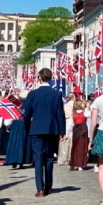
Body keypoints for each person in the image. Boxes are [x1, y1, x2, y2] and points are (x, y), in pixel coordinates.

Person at [20, 68, 65, 198]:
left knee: (38, 158)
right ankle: (49, 186)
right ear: (51, 78)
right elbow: (60, 114)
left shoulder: (33, 94)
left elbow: (27, 114)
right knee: (49, 158)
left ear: (39, 78)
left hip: (36, 129)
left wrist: (26, 127)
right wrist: (61, 131)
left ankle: (40, 188)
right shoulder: (56, 94)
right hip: (52, 129)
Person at [68, 99, 89, 170]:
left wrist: (67, 132)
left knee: (76, 146)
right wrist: (87, 108)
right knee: (81, 146)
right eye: (82, 104)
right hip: (82, 128)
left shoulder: (74, 113)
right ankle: (79, 164)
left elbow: (70, 124)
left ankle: (74, 164)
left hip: (76, 129)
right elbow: (88, 114)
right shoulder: (84, 112)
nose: (84, 104)